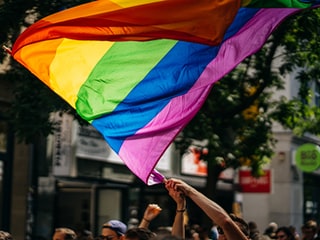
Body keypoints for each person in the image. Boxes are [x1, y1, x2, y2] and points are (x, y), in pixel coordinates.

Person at [164, 178, 249, 240]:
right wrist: (180, 205)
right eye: (221, 231)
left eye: (233, 231)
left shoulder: (226, 225)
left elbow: (226, 222)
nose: (225, 235)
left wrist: (189, 191)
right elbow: (176, 239)